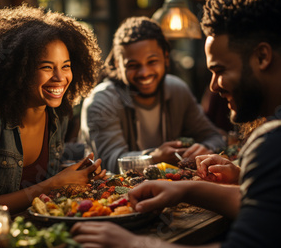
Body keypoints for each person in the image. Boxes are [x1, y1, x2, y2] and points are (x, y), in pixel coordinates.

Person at [72, 0, 281, 248]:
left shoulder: (280, 139)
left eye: (219, 70)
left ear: (263, 56)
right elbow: (274, 206)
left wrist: (132, 245)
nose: (213, 86)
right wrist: (187, 190)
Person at [0, 4, 105, 224]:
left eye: (66, 66)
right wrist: (53, 184)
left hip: (22, 231)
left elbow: (38, 182)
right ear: (18, 70)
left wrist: (76, 176)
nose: (60, 77)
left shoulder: (58, 114)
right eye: (46, 67)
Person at [79, 16, 225, 173]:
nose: (144, 73)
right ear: (117, 65)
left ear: (166, 58)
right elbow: (108, 162)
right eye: (133, 65)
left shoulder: (177, 90)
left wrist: (205, 148)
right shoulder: (101, 100)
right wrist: (153, 158)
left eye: (152, 62)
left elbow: (215, 137)